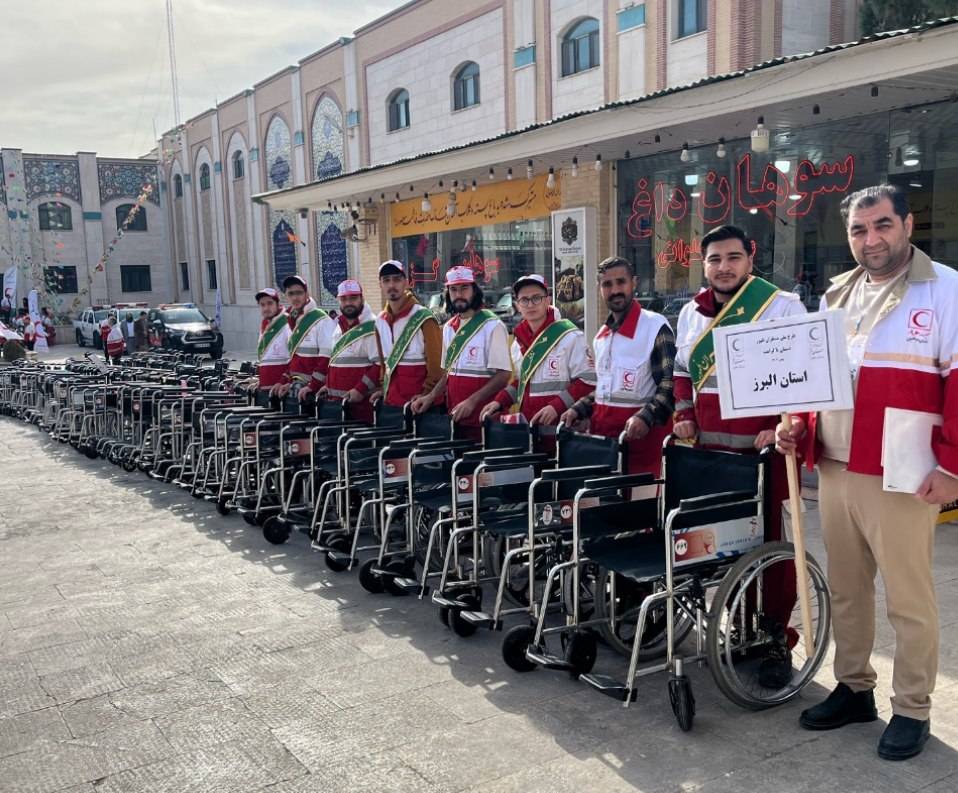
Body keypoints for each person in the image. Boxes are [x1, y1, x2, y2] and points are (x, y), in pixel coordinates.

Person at [777, 184, 958, 761]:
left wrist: (952, 466)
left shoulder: (947, 289)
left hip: (903, 470)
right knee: (848, 590)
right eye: (859, 229)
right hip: (835, 466)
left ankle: (913, 708)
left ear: (907, 225)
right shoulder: (837, 293)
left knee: (909, 598)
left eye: (882, 225)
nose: (870, 239)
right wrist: (797, 426)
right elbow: (816, 377)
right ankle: (854, 687)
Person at [671, 225, 806, 687]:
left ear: (751, 258)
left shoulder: (781, 307)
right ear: (703, 263)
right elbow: (681, 373)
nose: (723, 267)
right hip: (711, 456)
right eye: (715, 259)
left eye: (733, 257)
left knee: (770, 551)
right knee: (721, 544)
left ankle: (775, 636)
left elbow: (803, 373)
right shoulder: (690, 313)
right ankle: (736, 626)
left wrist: (783, 422)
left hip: (763, 455)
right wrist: (683, 414)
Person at [560, 257, 675, 475]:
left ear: (634, 283)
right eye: (607, 284)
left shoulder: (655, 327)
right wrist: (579, 408)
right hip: (604, 447)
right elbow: (605, 390)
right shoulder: (601, 337)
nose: (614, 291)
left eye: (621, 282)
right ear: (599, 289)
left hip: (643, 449)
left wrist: (646, 416)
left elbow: (670, 385)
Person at [479, 274, 594, 449]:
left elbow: (588, 381)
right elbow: (522, 383)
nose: (530, 305)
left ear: (547, 300)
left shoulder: (570, 337)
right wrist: (499, 401)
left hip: (563, 436)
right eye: (524, 300)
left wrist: (556, 407)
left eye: (536, 298)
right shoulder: (517, 343)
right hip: (531, 435)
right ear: (517, 305)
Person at [411, 267, 512, 440]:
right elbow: (448, 374)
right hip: (456, 419)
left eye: (464, 288)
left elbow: (503, 375)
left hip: (485, 422)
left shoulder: (492, 326)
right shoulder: (448, 328)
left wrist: (472, 401)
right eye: (453, 289)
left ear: (475, 290)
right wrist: (430, 397)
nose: (459, 294)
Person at [301, 279, 381, 423]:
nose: (348, 303)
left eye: (353, 298)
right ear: (338, 301)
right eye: (344, 299)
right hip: (337, 406)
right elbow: (337, 363)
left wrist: (360, 389)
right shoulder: (338, 326)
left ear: (362, 298)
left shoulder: (372, 326)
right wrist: (328, 385)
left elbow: (379, 365)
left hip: (361, 409)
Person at [374, 260, 442, 408]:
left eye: (397, 279)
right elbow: (383, 365)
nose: (391, 285)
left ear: (406, 283)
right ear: (380, 285)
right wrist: (382, 389)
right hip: (391, 403)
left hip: (419, 405)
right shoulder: (380, 321)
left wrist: (427, 393)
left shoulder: (424, 317)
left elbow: (437, 365)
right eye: (386, 280)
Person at [271, 275, 332, 400]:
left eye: (299, 293)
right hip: (296, 388)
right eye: (291, 293)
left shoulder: (321, 320)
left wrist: (312, 386)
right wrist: (284, 381)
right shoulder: (292, 320)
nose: (295, 297)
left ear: (307, 294)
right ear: (286, 296)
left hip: (313, 393)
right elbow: (294, 361)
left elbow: (326, 359)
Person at [251, 287, 290, 397]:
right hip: (266, 390)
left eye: (270, 303)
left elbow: (295, 359)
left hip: (282, 392)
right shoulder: (265, 324)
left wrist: (283, 381)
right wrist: (261, 380)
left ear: (277, 304)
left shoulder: (288, 322)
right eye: (262, 305)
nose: (266, 308)